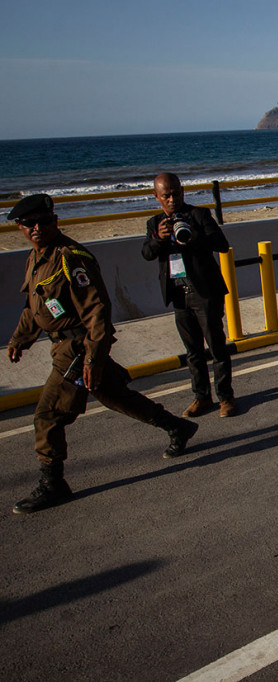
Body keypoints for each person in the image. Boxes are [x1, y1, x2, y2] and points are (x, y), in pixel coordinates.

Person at [6, 194, 199, 514]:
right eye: (29, 224)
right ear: (21, 228)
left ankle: (53, 483)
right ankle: (176, 427)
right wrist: (19, 340)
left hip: (79, 348)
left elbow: (97, 311)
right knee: (116, 396)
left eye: (43, 221)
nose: (37, 228)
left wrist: (94, 358)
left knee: (48, 415)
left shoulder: (71, 258)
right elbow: (34, 307)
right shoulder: (37, 258)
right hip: (64, 345)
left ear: (56, 221)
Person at [142, 173, 236, 418]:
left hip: (205, 292)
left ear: (183, 191)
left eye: (176, 193)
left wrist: (195, 238)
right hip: (178, 293)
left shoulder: (199, 215)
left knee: (216, 347)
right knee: (192, 351)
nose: (172, 199)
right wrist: (158, 239)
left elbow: (221, 244)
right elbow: (147, 254)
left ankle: (226, 398)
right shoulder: (155, 224)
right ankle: (202, 397)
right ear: (157, 197)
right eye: (166, 195)